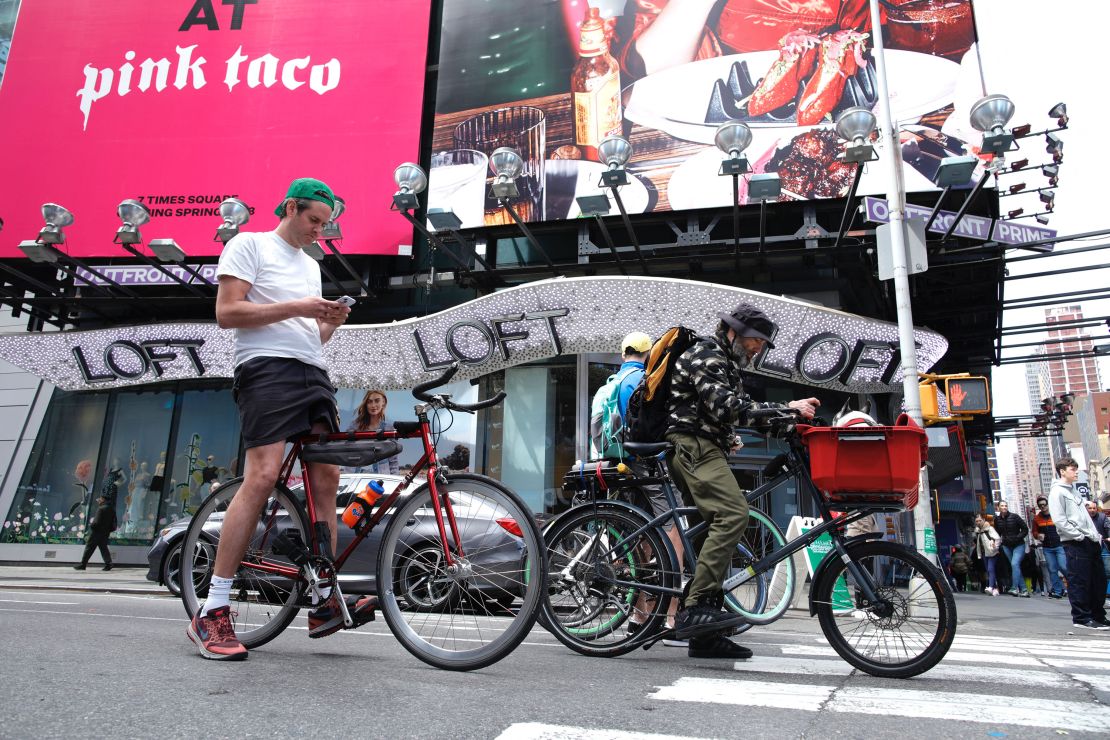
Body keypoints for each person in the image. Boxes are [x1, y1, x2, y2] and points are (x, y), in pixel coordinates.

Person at [188, 178, 374, 661]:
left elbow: (309, 335)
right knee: (264, 475)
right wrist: (301, 307)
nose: (319, 230)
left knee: (327, 478)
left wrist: (327, 323)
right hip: (265, 371)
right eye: (314, 220)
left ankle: (322, 598)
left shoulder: (312, 267)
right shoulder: (249, 243)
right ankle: (213, 609)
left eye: (326, 223)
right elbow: (227, 313)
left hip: (313, 372)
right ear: (291, 207)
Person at [666, 302, 818, 659]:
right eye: (756, 341)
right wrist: (789, 407)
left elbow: (746, 411)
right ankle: (696, 607)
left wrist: (794, 424)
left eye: (762, 344)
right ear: (734, 331)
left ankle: (705, 637)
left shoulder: (727, 363)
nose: (758, 348)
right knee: (734, 515)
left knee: (709, 531)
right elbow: (728, 409)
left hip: (707, 447)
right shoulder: (707, 355)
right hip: (693, 445)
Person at [596, 331, 688, 644]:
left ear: (623, 354)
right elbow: (651, 426)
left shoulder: (609, 384)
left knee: (639, 536)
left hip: (619, 465)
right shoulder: (642, 379)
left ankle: (639, 616)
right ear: (649, 354)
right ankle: (670, 616)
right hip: (646, 463)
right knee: (672, 529)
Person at [1047, 458, 1108, 630]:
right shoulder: (1057, 492)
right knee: (1079, 580)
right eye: (1072, 469)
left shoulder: (1073, 491)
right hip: (1075, 542)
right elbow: (1059, 520)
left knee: (1098, 580)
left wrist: (1095, 536)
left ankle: (1098, 615)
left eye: (1076, 469)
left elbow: (1085, 517)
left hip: (1091, 540)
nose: (1076, 472)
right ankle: (1081, 617)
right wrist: (1079, 536)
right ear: (1062, 471)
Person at [346, 390, 400, 474]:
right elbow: (348, 454)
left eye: (377, 400)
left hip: (381, 479)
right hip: (357, 476)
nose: (373, 405)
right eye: (369, 402)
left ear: (384, 402)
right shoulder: (355, 426)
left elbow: (393, 460)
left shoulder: (389, 428)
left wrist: (395, 480)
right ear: (366, 404)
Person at [1031, 495, 1068, 598]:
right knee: (1052, 569)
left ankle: (1074, 586)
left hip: (1060, 545)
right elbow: (1034, 532)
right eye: (1040, 505)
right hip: (1047, 547)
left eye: (1044, 504)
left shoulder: (1056, 514)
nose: (1043, 506)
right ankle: (1058, 591)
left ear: (1048, 503)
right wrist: (1037, 535)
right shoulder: (1037, 519)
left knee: (1063, 566)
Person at [994, 501, 1030, 597]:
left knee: (1014, 564)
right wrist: (996, 544)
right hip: (1006, 546)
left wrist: (1017, 537)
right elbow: (997, 534)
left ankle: (1014, 588)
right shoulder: (997, 520)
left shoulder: (1015, 516)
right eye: (1002, 506)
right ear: (998, 508)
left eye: (1006, 505)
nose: (1004, 507)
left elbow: (1025, 529)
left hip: (1019, 545)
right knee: (1015, 566)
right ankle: (1024, 590)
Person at [73, 494, 117, 571]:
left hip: (97, 532)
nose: (98, 501)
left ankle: (83, 564)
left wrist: (92, 527)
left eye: (100, 499)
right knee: (103, 548)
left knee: (89, 548)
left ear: (103, 500)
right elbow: (114, 522)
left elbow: (96, 522)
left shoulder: (101, 509)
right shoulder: (111, 509)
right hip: (105, 532)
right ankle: (108, 563)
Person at [1083, 500, 1110, 593]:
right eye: (1090, 508)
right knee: (1092, 571)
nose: (1092, 510)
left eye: (1094, 508)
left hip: (1103, 547)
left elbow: (1108, 527)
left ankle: (1107, 592)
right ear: (1086, 509)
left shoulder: (1102, 517)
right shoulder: (1082, 519)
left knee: (1107, 570)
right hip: (1088, 548)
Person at [974, 514, 1001, 596]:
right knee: (989, 570)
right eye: (976, 521)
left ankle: (990, 587)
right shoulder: (978, 531)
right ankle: (995, 589)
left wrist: (995, 547)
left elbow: (998, 538)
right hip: (984, 553)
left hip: (992, 552)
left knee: (990, 569)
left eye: (980, 520)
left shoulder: (990, 528)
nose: (978, 522)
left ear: (983, 520)